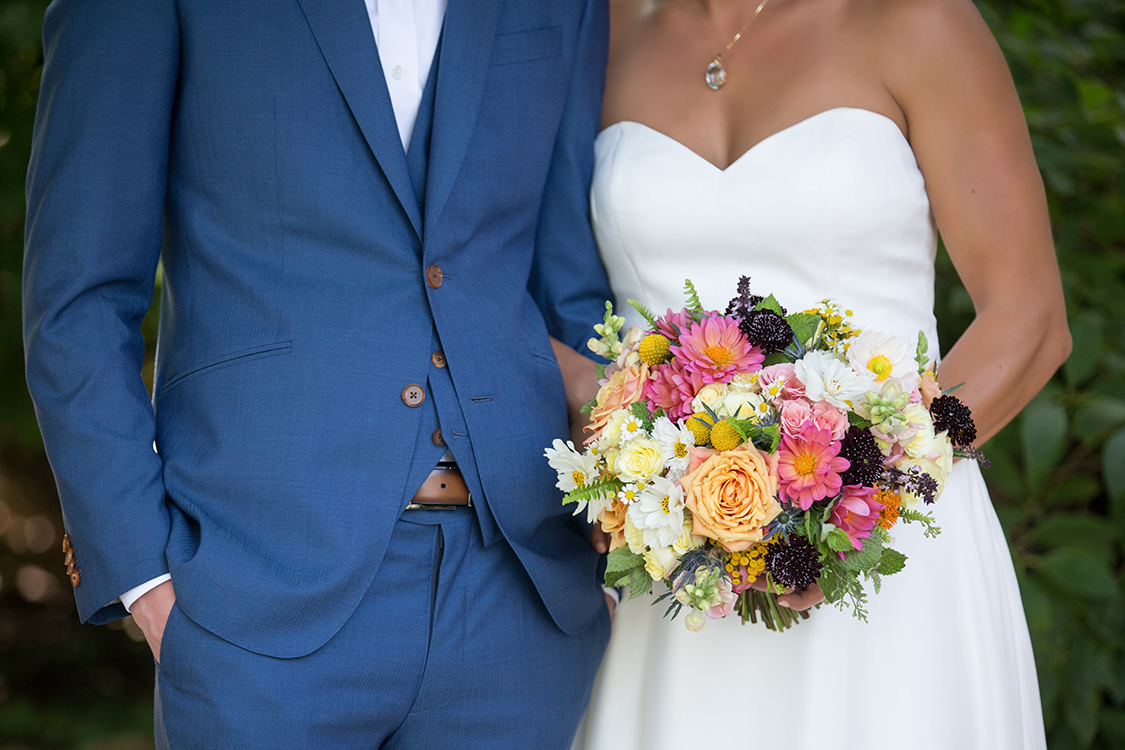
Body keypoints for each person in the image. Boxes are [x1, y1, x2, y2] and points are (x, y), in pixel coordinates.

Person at [22, 0, 616, 746]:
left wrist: (610, 552)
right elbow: (79, 298)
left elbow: (572, 292)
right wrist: (143, 578)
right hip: (255, 592)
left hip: (521, 602)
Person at [563, 0, 1071, 747]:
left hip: (890, 556)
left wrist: (847, 494)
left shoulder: (915, 20)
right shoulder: (594, 32)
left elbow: (1027, 321)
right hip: (675, 564)